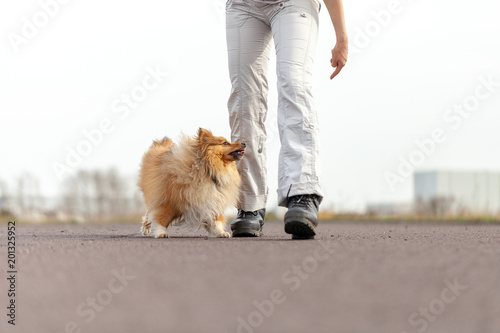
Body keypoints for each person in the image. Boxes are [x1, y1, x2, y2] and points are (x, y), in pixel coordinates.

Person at [226, 0, 348, 239]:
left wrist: (341, 36)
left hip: (295, 4)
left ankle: (303, 194)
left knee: (294, 83)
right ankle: (249, 204)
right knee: (244, 99)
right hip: (244, 6)